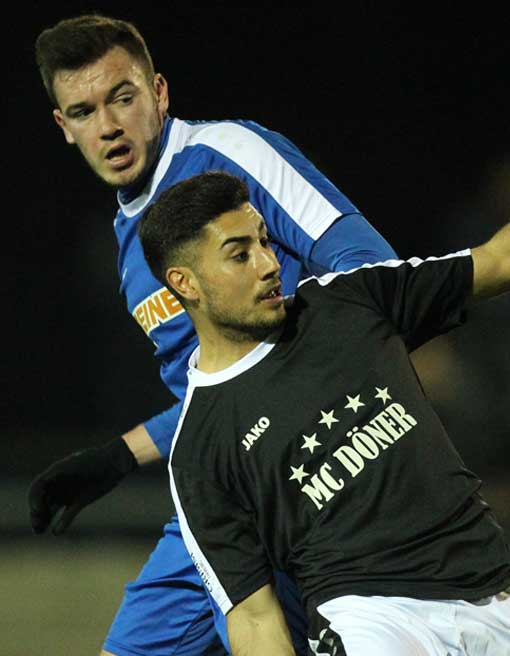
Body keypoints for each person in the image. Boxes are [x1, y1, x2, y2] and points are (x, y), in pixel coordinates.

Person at [138, 125, 510, 654]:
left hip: (491, 590)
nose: (269, 263)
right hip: (371, 617)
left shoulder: (346, 301)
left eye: (263, 240)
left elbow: (504, 260)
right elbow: (254, 620)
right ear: (185, 283)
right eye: (239, 253)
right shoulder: (199, 451)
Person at [28, 14, 397, 656]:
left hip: (312, 474)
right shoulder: (128, 245)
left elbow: (373, 276)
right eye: (83, 111)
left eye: (123, 97)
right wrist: (119, 457)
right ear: (64, 127)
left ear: (160, 93)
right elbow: (217, 392)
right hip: (217, 490)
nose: (109, 126)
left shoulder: (228, 154)